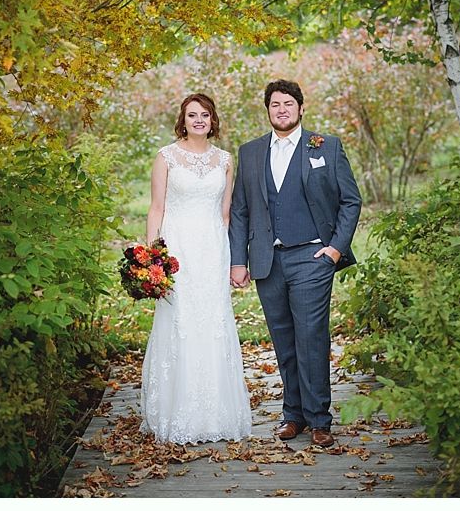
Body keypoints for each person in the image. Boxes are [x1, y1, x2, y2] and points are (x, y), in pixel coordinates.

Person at [228, 80, 362, 449]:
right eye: (275, 104)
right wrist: (238, 260)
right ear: (267, 110)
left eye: (288, 103)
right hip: (268, 261)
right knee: (284, 340)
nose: (282, 109)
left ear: (301, 108)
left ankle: (319, 419)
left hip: (312, 258)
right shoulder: (250, 152)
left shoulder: (325, 146)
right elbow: (240, 210)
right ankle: (293, 415)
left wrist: (334, 249)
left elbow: (350, 201)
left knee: (311, 337)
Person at [140, 93, 252, 444]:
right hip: (177, 251)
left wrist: (233, 258)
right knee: (181, 323)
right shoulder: (166, 157)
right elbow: (156, 209)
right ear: (183, 120)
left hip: (212, 251)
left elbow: (226, 213)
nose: (199, 120)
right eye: (192, 115)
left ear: (212, 120)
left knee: (213, 324)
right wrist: (154, 257)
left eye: (205, 114)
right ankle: (178, 414)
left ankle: (215, 415)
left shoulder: (225, 160)